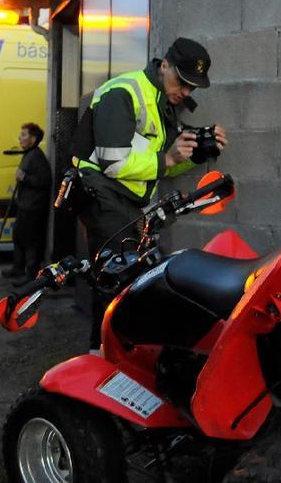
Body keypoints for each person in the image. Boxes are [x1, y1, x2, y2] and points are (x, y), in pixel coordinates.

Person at [73, 37, 229, 350]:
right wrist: (168, 157)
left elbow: (161, 166)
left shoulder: (163, 103)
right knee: (114, 278)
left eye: (192, 88)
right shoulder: (124, 92)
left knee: (132, 282)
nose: (185, 92)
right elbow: (114, 162)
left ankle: (123, 354)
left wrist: (195, 151)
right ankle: (101, 357)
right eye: (182, 82)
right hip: (102, 194)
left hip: (131, 202)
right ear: (165, 65)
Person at [1, 123, 51, 287]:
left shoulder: (36, 156)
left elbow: (44, 181)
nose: (20, 138)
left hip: (34, 206)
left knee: (31, 241)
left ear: (33, 138)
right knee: (19, 236)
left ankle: (31, 274)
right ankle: (18, 267)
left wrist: (25, 178)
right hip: (26, 204)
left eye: (24, 135)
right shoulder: (29, 154)